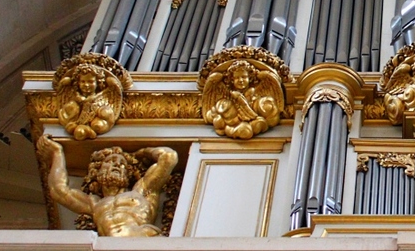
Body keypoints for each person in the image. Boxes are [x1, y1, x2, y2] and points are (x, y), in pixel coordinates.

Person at [37, 135, 177, 237]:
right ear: (97, 172)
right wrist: (57, 153)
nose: (117, 165)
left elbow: (168, 157)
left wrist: (142, 152)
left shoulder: (142, 190)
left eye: (122, 164)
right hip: (110, 249)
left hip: (142, 240)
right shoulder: (94, 203)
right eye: (110, 161)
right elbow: (58, 190)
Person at [204, 60, 281, 139]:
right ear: (232, 80)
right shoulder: (225, 102)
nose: (240, 80)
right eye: (237, 78)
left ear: (250, 78)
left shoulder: (257, 100)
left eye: (244, 77)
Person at [58, 65, 119, 140]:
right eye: (83, 81)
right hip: (77, 121)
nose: (86, 85)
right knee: (72, 107)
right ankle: (83, 128)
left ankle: (87, 129)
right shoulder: (74, 96)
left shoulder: (102, 96)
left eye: (90, 81)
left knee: (101, 117)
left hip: (96, 120)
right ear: (78, 83)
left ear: (98, 83)